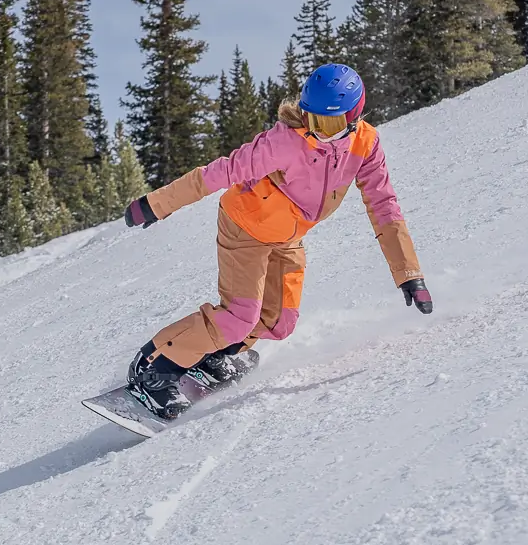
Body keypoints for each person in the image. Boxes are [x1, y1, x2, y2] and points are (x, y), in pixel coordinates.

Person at [121, 63, 431, 417]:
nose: (321, 132)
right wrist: (155, 204)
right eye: (314, 121)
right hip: (245, 226)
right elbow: (219, 172)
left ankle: (213, 357)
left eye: (329, 124)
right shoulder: (285, 142)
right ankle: (156, 367)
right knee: (239, 315)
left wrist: (408, 272)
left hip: (288, 236)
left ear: (353, 115)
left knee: (278, 320)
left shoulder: (366, 144)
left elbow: (383, 204)